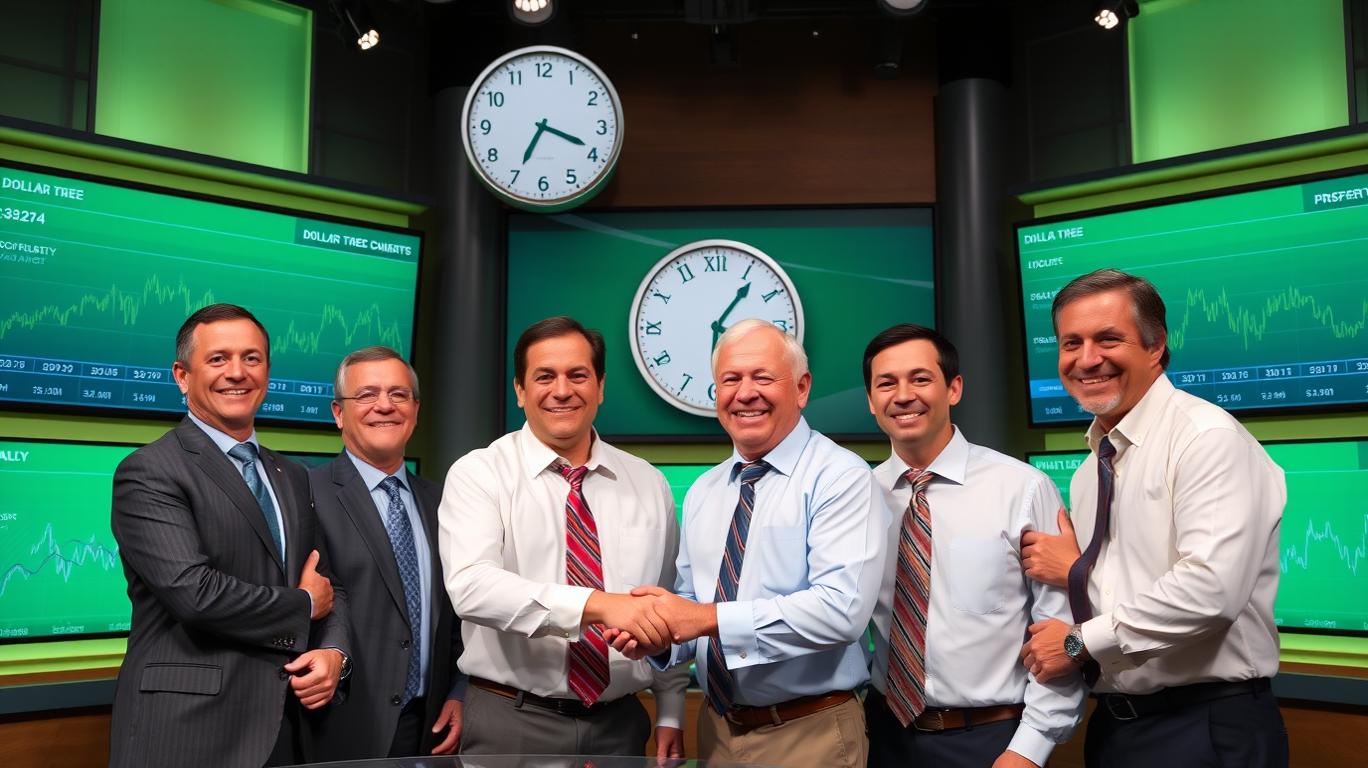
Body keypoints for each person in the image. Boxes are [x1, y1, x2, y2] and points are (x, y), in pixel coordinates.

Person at [1020, 269, 1287, 767]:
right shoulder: (1089, 470)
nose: (1087, 359)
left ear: (1155, 346)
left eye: (1108, 339)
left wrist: (1078, 641)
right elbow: (1133, 582)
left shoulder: (1205, 439)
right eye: (1071, 343)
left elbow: (1209, 591)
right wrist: (1077, 571)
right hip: (1119, 726)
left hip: (1206, 726)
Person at [619, 319, 888, 768]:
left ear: (801, 388)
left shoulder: (841, 478)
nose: (745, 393)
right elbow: (692, 604)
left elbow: (841, 611)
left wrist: (703, 618)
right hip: (718, 731)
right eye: (730, 379)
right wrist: (659, 637)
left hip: (810, 735)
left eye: (762, 377)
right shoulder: (704, 491)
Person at [109, 304, 350, 768]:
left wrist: (334, 652)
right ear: (182, 376)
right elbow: (194, 594)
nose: (237, 372)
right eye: (218, 358)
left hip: (286, 726)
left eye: (251, 358)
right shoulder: (149, 471)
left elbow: (329, 583)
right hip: (188, 732)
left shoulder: (292, 475)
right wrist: (302, 606)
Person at [438, 316, 688, 758]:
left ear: (600, 387)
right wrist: (599, 605)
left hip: (621, 724)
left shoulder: (648, 483)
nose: (562, 390)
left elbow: (665, 602)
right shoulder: (479, 473)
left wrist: (670, 709)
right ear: (520, 390)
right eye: (544, 377)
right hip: (511, 720)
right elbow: (471, 588)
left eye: (578, 375)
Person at [861, 324, 1084, 768]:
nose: (903, 395)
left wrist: (1029, 750)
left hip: (990, 741)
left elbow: (1060, 632)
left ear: (954, 388)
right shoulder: (859, 497)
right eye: (886, 383)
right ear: (871, 400)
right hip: (882, 737)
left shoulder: (1022, 489)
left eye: (920, 378)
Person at [307, 346, 465, 759]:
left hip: (429, 727)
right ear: (338, 413)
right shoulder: (306, 494)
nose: (385, 406)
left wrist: (460, 690)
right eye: (366, 395)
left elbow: (460, 613)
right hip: (338, 727)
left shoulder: (443, 501)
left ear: (415, 410)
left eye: (398, 394)